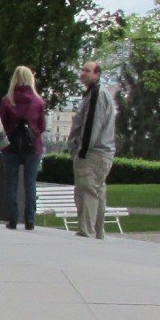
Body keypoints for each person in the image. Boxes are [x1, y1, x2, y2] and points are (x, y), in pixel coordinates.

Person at [67, 59, 117, 240]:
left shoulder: (96, 94)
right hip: (101, 152)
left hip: (93, 153)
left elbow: (91, 125)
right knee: (97, 190)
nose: (83, 73)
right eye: (82, 70)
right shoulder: (95, 93)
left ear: (97, 74)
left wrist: (81, 151)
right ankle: (97, 232)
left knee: (87, 190)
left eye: (87, 70)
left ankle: (86, 231)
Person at [0, 66, 47, 230]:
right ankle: (30, 219)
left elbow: (2, 125)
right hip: (32, 148)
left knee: (11, 183)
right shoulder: (38, 101)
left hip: (11, 147)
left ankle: (12, 219)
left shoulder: (8, 100)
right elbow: (41, 126)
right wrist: (33, 134)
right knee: (30, 183)